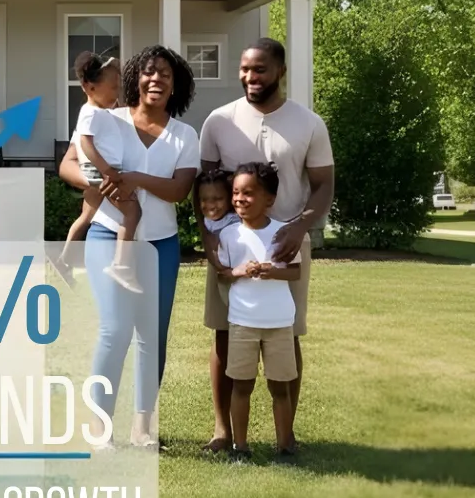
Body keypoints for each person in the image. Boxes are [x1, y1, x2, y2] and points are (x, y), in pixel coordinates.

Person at [197, 37, 335, 456]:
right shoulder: (219, 121)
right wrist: (208, 238)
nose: (250, 77)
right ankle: (223, 431)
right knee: (225, 333)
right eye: (245, 69)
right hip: (230, 244)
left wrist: (300, 228)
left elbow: (324, 184)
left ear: (280, 72)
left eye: (259, 69)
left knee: (287, 334)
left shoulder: (308, 123)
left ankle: (285, 437)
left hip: (286, 246)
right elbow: (205, 187)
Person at [77, 45, 199, 446]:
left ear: (175, 84)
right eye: (148, 71)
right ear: (135, 79)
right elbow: (68, 164)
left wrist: (134, 179)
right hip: (107, 235)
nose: (156, 79)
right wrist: (101, 182)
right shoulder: (108, 118)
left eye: (165, 73)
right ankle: (100, 427)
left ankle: (142, 427)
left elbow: (180, 190)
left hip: (160, 244)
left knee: (152, 335)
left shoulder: (185, 135)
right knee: (114, 329)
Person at [214, 162, 302, 464]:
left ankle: (285, 446)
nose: (240, 199)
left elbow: (295, 272)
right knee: (242, 386)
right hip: (242, 322)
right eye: (236, 192)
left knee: (280, 387)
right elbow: (223, 274)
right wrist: (238, 271)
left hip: (279, 323)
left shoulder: (283, 232)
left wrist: (272, 271)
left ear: (270, 199)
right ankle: (240, 447)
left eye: (248, 193)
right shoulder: (229, 235)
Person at [61, 52, 142, 291]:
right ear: (90, 87)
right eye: (113, 88)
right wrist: (106, 172)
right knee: (132, 211)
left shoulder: (101, 112)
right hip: (101, 173)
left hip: (98, 173)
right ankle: (121, 264)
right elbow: (85, 143)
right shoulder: (90, 113)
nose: (117, 93)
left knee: (87, 216)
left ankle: (63, 259)